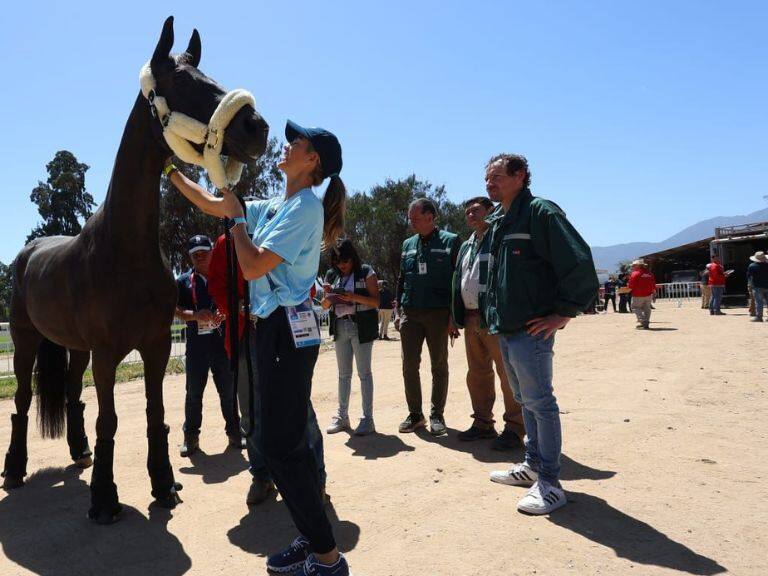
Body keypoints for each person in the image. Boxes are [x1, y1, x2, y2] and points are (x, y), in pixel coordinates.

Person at [169, 120, 351, 575]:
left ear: (313, 161)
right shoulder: (277, 205)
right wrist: (170, 169)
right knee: (281, 442)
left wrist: (235, 221)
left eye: (297, 143)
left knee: (280, 445)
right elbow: (214, 202)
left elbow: (251, 266)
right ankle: (312, 538)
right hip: (272, 330)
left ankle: (327, 557)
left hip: (287, 333)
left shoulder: (304, 208)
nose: (287, 147)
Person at [482, 154, 598, 515]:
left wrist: (563, 313)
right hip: (507, 327)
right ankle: (532, 466)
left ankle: (549, 483)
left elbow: (579, 262)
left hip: (531, 329)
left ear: (520, 176)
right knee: (525, 400)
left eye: (496, 176)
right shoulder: (500, 219)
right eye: (487, 178)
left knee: (540, 403)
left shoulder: (540, 213)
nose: (489, 184)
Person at [207, 230, 326, 506]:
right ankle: (261, 475)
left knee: (299, 405)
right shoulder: (227, 242)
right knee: (251, 411)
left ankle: (315, 478)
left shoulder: (285, 229)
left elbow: (305, 280)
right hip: (246, 332)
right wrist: (241, 306)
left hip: (288, 328)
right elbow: (217, 285)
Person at [450, 196, 525, 449]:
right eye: (467, 212)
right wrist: (454, 316)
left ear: (490, 211)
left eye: (475, 210)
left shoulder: (499, 238)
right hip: (471, 319)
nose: (470, 215)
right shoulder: (467, 244)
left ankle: (515, 428)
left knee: (507, 374)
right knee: (477, 374)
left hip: (494, 318)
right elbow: (459, 279)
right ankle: (482, 423)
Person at [395, 198, 460, 436]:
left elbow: (458, 282)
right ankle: (415, 414)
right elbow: (402, 279)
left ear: (430, 217)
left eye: (415, 218)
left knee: (439, 366)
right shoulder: (408, 244)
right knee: (409, 365)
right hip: (410, 314)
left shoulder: (451, 241)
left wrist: (454, 316)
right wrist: (398, 311)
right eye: (410, 218)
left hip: (438, 314)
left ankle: (437, 415)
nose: (411, 223)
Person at [174, 235, 243, 457]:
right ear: (190, 257)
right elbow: (175, 309)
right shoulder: (183, 281)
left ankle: (235, 432)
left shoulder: (225, 277)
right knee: (193, 394)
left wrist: (226, 311)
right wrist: (194, 315)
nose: (200, 256)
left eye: (204, 251)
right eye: (195, 254)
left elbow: (237, 301)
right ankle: (190, 437)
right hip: (196, 349)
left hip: (222, 345)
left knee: (228, 392)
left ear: (213, 252)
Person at [322, 239, 379, 436]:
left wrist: (352, 297)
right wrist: (328, 297)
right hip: (340, 326)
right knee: (343, 374)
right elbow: (324, 306)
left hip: (361, 326)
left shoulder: (366, 271)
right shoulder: (331, 275)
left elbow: (376, 302)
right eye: (337, 262)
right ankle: (342, 417)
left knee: (364, 374)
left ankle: (367, 419)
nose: (341, 265)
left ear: (353, 258)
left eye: (345, 261)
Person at [628, 259, 656, 329]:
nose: (632, 267)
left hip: (638, 294)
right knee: (647, 309)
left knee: (635, 307)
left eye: (633, 266)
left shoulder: (635, 274)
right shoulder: (650, 274)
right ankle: (646, 322)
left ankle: (643, 321)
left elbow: (631, 285)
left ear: (638, 266)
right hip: (648, 294)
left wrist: (628, 289)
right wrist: (654, 293)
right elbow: (653, 284)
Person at [747, 251, 768, 322]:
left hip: (757, 286)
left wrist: (750, 285)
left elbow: (749, 276)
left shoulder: (752, 266)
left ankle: (759, 317)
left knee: (759, 302)